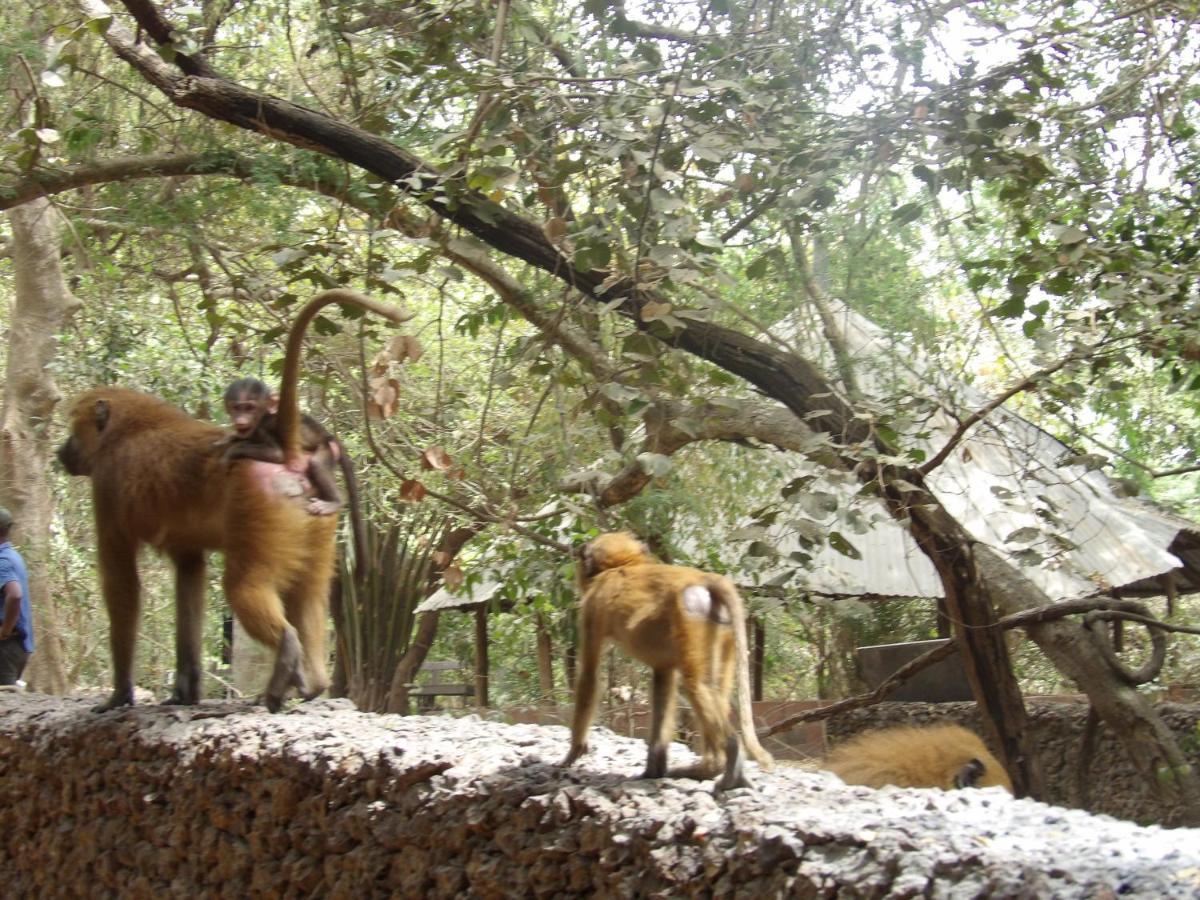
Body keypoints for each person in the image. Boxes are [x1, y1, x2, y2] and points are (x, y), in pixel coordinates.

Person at [0, 507, 34, 686]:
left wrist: (4, 632)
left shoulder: (2, 561)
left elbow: (15, 596)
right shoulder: (13, 556)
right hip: (17, 646)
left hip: (6, 648)